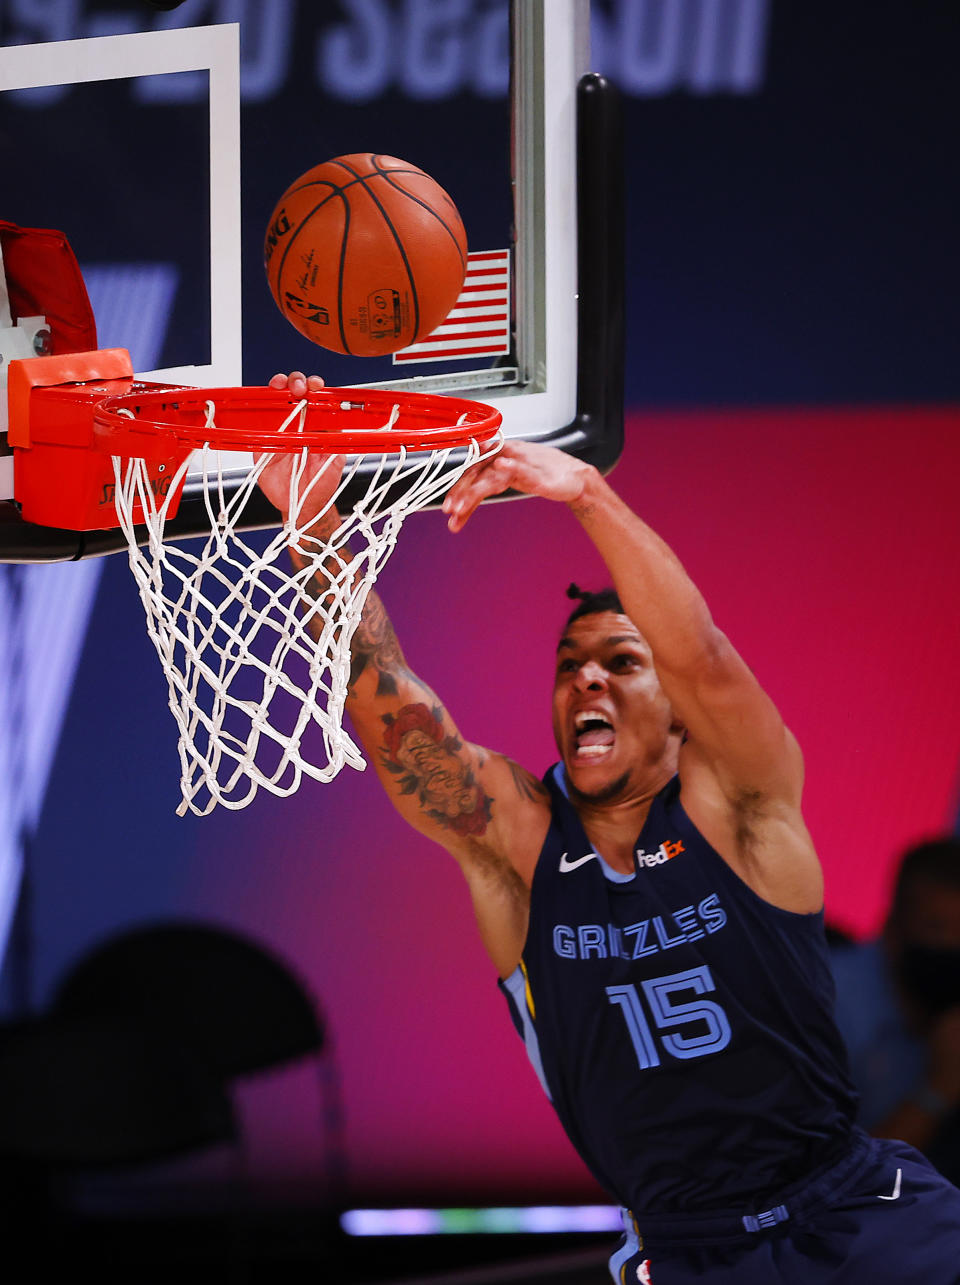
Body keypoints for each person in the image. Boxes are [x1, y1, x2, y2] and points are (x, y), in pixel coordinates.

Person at [259, 372, 960, 1284]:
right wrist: (314, 526)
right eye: (570, 664)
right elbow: (394, 715)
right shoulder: (516, 842)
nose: (587, 679)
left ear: (676, 716)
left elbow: (703, 658)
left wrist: (587, 492)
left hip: (857, 1205)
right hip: (692, 1243)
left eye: (621, 662)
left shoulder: (738, 809)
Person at [831, 837, 960, 1187]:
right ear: (893, 928)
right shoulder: (826, 1006)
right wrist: (938, 1092)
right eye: (936, 928)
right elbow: (832, 1185)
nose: (952, 947)